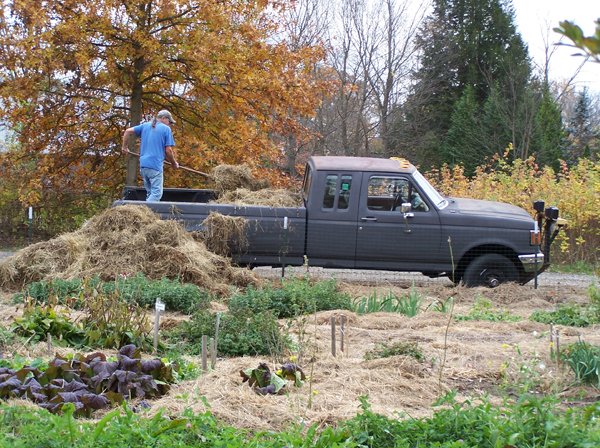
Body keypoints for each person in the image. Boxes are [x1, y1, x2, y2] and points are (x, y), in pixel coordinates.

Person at [122, 109, 179, 202]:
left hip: (144, 166)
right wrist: (173, 163)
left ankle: (147, 213)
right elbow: (168, 150)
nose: (170, 125)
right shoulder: (166, 129)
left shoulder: (145, 126)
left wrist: (124, 147)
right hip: (155, 166)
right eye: (170, 122)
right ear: (164, 118)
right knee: (156, 194)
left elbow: (128, 131)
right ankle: (143, 211)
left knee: (150, 193)